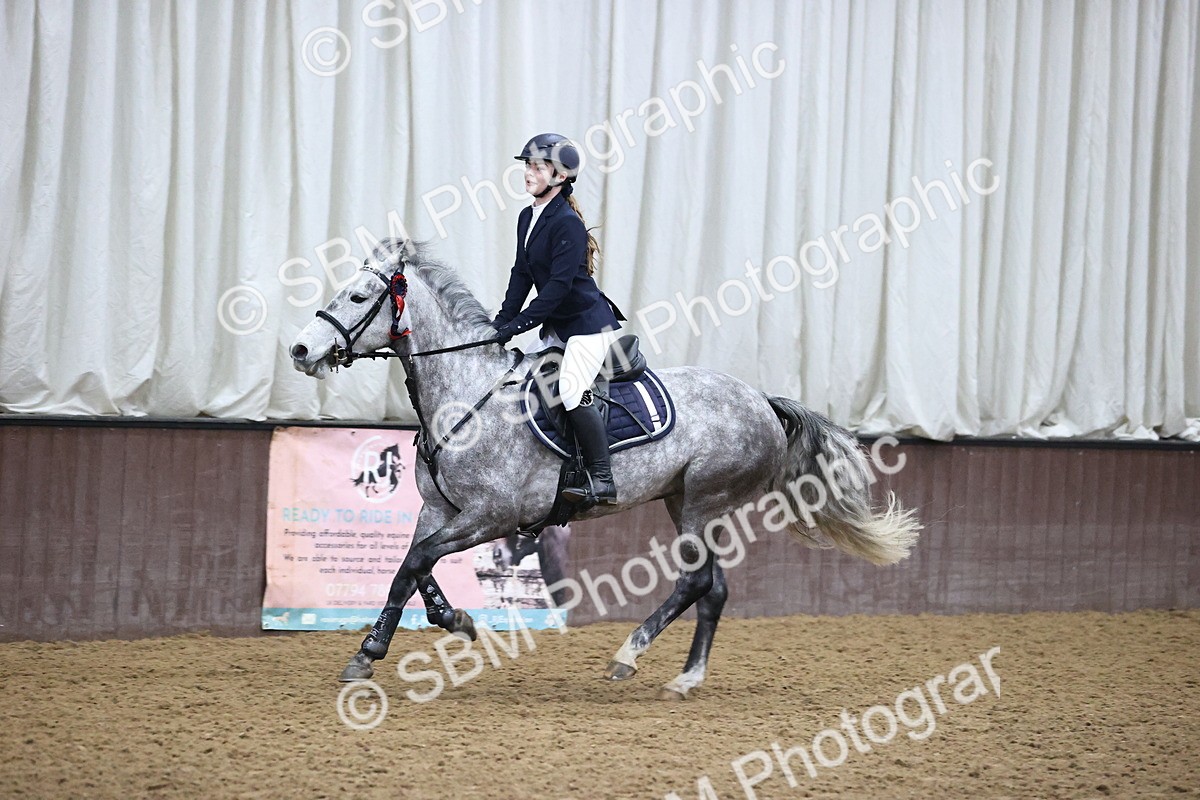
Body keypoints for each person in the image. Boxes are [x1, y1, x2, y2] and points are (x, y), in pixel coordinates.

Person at [492, 133, 626, 505]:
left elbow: (556, 291)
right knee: (517, 380)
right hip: (558, 327)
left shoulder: (567, 222)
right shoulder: (527, 216)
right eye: (527, 166)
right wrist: (497, 327)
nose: (528, 173)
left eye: (538, 167)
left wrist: (515, 328)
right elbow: (521, 275)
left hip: (587, 326)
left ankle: (601, 478)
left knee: (571, 389)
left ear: (561, 176)